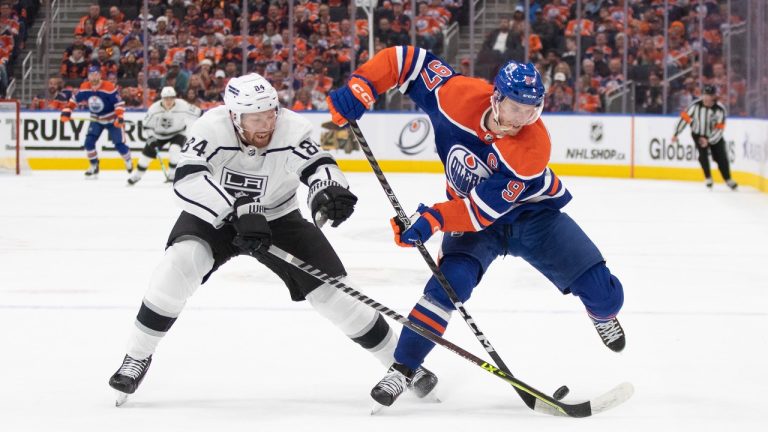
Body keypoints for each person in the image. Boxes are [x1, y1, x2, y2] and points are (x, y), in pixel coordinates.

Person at [107, 73, 437, 405]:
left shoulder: (292, 128)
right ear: (235, 116)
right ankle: (137, 355)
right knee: (177, 267)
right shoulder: (211, 126)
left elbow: (318, 164)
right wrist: (235, 209)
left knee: (334, 295)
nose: (266, 123)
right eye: (255, 117)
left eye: (270, 113)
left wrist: (328, 189)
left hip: (277, 217)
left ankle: (404, 366)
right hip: (215, 216)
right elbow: (188, 177)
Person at [327, 46, 626, 407]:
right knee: (445, 287)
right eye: (516, 107)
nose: (523, 118)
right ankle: (401, 369)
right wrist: (363, 85)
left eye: (532, 109)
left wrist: (434, 218)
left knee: (605, 293)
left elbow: (482, 211)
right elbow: (405, 60)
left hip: (532, 216)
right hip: (475, 226)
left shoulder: (532, 146)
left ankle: (602, 314)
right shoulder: (456, 96)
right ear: (496, 97)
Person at [60, 65, 132, 178]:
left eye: (96, 74)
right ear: (88, 76)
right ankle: (94, 165)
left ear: (100, 75)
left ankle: (128, 159)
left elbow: (119, 104)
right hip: (96, 119)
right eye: (91, 75)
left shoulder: (109, 87)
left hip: (111, 119)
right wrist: (67, 111)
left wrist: (119, 117)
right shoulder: (84, 87)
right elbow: (73, 100)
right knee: (88, 143)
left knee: (119, 145)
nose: (94, 77)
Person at [128, 87, 202, 185]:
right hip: (158, 135)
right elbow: (147, 126)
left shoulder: (183, 105)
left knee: (175, 149)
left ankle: (172, 175)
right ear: (162, 98)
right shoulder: (154, 109)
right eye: (166, 98)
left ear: (175, 98)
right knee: (146, 156)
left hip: (178, 133)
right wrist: (151, 138)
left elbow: (199, 113)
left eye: (171, 98)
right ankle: (137, 175)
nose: (169, 101)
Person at [672, 85, 738, 190]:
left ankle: (728, 179)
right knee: (702, 156)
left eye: (709, 95)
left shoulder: (720, 109)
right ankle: (708, 177)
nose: (706, 98)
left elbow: (719, 129)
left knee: (721, 157)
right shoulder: (695, 106)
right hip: (698, 134)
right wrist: (676, 133)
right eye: (705, 95)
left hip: (714, 136)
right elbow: (684, 119)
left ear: (714, 96)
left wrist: (709, 140)